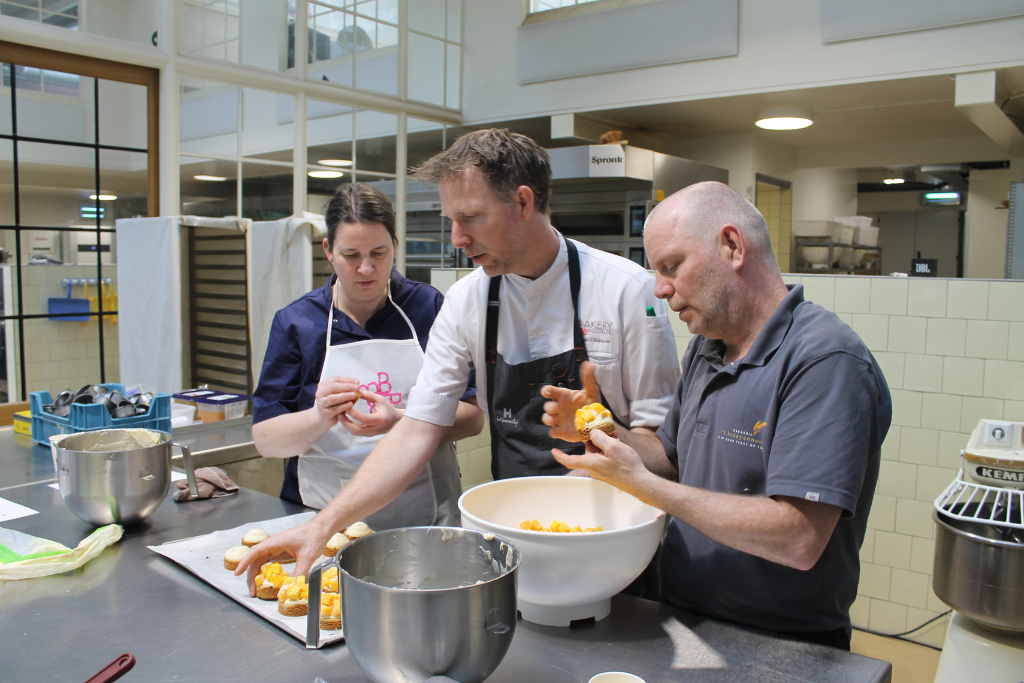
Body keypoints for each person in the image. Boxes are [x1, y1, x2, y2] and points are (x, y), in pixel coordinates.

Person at [237, 129, 680, 584]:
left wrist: (602, 428)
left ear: (523, 203)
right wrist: (321, 525)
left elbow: (665, 456)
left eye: (470, 217)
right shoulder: (467, 299)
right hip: (517, 539)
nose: (457, 238)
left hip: (617, 549)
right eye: (451, 219)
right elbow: (416, 432)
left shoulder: (626, 291)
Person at [543, 181, 891, 651]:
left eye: (672, 266)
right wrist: (602, 428)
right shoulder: (709, 350)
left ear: (732, 246)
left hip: (785, 642)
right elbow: (667, 457)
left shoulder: (825, 361)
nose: (661, 289)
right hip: (682, 617)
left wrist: (645, 487)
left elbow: (799, 538)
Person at [251, 182, 484, 529]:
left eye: (378, 253)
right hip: (327, 520)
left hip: (427, 516)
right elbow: (267, 440)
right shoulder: (298, 323)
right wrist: (319, 417)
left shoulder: (428, 308)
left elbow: (473, 417)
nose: (365, 269)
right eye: (351, 255)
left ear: (395, 246)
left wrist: (402, 421)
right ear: (328, 250)